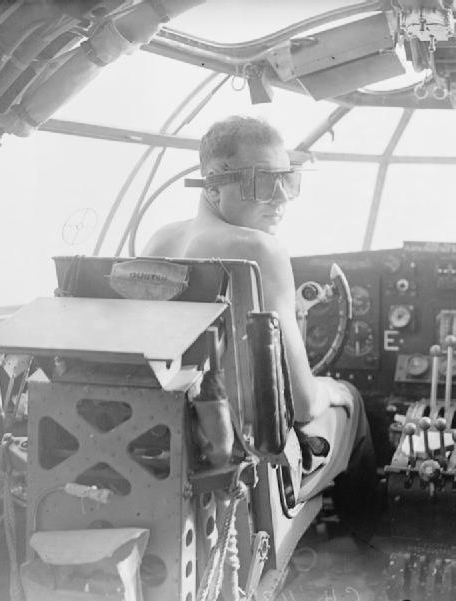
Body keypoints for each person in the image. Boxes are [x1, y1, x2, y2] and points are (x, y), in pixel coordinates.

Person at [143, 115, 375, 521]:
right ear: (213, 186)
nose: (282, 197)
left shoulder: (160, 240)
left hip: (170, 436)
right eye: (264, 181)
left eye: (288, 179)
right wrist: (332, 390)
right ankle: (364, 545)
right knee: (348, 398)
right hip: (255, 449)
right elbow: (303, 406)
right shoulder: (261, 250)